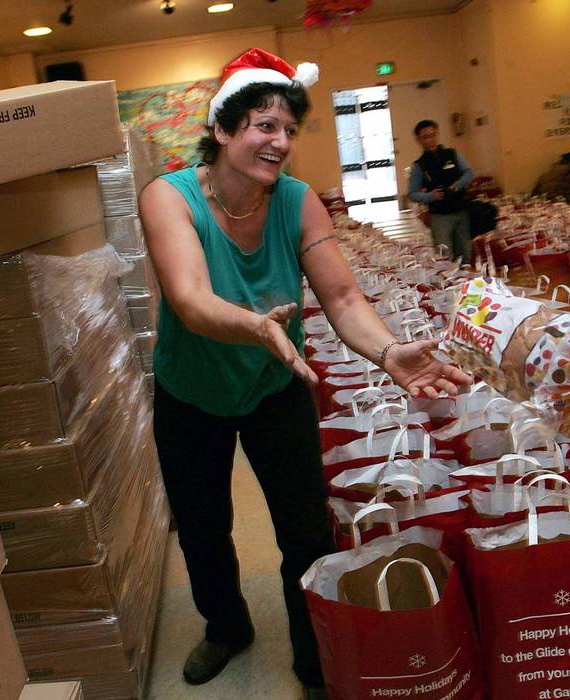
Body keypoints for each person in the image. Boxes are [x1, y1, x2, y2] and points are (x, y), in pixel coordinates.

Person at [138, 49, 472, 700]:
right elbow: (188, 299)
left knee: (303, 532)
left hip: (275, 386)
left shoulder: (297, 203)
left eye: (289, 129)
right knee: (203, 527)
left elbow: (343, 299)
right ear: (222, 129)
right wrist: (257, 326)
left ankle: (312, 659)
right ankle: (225, 627)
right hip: (191, 392)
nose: (280, 142)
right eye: (264, 125)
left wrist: (388, 352)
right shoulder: (168, 197)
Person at [408, 119, 475, 263]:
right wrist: (430, 196)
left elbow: (469, 173)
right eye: (426, 137)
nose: (431, 140)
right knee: (444, 257)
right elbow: (412, 194)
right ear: (419, 140)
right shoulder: (419, 166)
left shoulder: (452, 154)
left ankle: (466, 284)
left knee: (465, 254)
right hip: (440, 216)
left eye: (433, 135)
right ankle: (450, 284)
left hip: (461, 210)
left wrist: (458, 184)